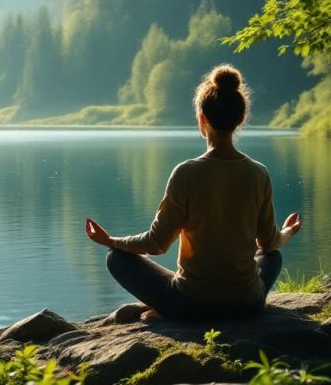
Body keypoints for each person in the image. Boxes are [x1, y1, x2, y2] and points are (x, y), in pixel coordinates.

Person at [85, 64, 302, 320]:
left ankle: (167, 308)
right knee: (272, 256)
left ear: (202, 119)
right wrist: (287, 232)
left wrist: (110, 241)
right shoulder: (258, 173)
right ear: (241, 118)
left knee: (116, 259)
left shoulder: (186, 173)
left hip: (192, 306)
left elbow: (156, 244)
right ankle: (229, 300)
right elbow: (268, 243)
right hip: (248, 304)